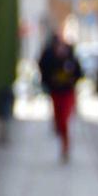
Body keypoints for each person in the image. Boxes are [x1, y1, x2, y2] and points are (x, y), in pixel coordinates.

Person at [37, 34, 83, 163]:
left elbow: (79, 73)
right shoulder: (49, 58)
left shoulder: (71, 59)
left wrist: (72, 81)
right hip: (56, 92)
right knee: (59, 117)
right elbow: (43, 69)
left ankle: (65, 145)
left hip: (67, 92)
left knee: (64, 118)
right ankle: (63, 139)